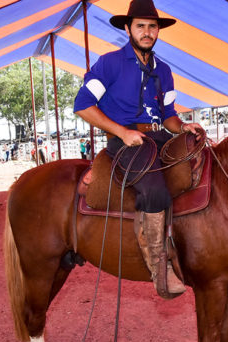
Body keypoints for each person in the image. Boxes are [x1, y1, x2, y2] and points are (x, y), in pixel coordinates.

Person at [73, 0, 205, 299]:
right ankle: (159, 268)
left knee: (198, 170)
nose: (147, 32)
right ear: (128, 28)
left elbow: (168, 113)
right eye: (140, 26)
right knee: (156, 190)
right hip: (125, 142)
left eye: (152, 26)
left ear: (159, 30)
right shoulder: (109, 63)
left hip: (160, 137)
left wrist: (182, 126)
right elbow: (82, 106)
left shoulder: (166, 71)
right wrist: (122, 131)